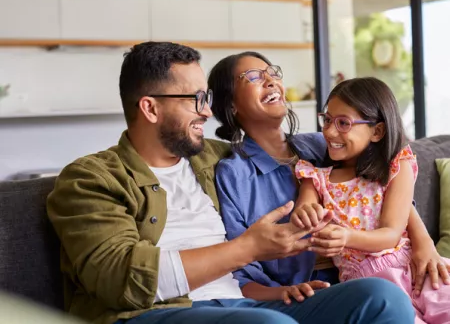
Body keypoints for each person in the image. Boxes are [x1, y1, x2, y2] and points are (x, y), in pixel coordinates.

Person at [47, 41, 415, 324]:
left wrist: (422, 242)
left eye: (206, 99)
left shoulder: (213, 157)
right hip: (158, 312)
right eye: (195, 100)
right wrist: (248, 248)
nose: (207, 111)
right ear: (150, 108)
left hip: (244, 304)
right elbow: (120, 280)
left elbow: (379, 175)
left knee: (383, 298)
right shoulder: (89, 180)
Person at [208, 51, 450, 305]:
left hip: (381, 270)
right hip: (314, 294)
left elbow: (383, 190)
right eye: (254, 77)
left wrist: (424, 243)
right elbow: (238, 266)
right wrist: (280, 293)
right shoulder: (234, 174)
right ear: (230, 104)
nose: (270, 81)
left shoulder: (322, 142)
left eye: (272, 73)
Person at [292, 77, 450, 323]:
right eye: (327, 120)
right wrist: (305, 214)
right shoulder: (315, 177)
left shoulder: (397, 167)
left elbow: (391, 233)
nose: (330, 131)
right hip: (368, 286)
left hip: (415, 268)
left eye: (343, 123)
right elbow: (305, 208)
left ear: (377, 131)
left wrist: (347, 238)